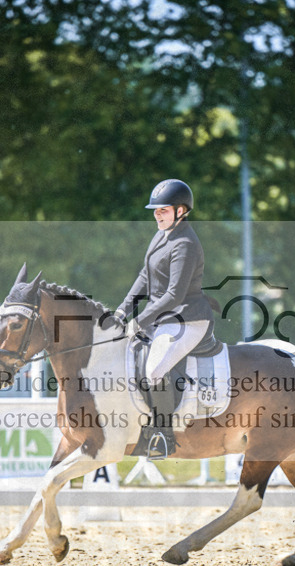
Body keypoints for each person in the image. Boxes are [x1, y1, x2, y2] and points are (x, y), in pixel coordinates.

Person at [114, 179, 216, 459]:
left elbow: (173, 294)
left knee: (155, 369)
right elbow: (145, 277)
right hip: (163, 318)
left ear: (181, 210)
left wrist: (140, 320)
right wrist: (123, 311)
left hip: (187, 319)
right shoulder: (162, 234)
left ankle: (163, 434)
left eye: (164, 210)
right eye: (155, 210)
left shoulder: (186, 243)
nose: (157, 214)